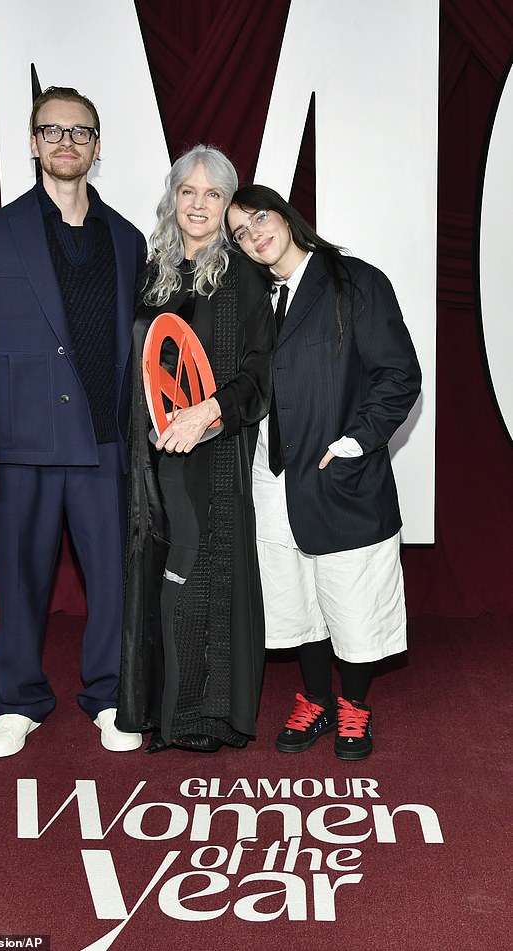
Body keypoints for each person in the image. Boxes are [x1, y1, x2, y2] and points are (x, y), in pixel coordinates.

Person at [0, 86, 147, 757]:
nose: (67, 142)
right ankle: (17, 700)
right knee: (21, 577)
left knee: (115, 581)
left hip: (104, 443)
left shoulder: (126, 238)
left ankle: (110, 693)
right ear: (34, 143)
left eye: (81, 132)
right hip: (21, 444)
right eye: (53, 130)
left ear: (97, 148)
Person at [226, 185, 421, 760]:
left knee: (353, 598)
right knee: (295, 600)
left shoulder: (355, 281)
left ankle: (354, 706)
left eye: (260, 217)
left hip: (340, 474)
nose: (254, 233)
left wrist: (356, 442)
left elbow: (399, 375)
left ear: (285, 215)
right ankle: (315, 699)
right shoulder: (259, 298)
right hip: (273, 476)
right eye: (240, 232)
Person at [115, 146, 275, 753]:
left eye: (214, 195)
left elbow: (259, 376)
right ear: (172, 198)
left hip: (211, 454)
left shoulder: (241, 277)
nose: (200, 204)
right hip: (152, 457)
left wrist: (207, 413)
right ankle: (157, 710)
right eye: (189, 192)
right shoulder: (153, 268)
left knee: (202, 579)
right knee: (158, 580)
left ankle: (205, 718)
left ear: (228, 205)